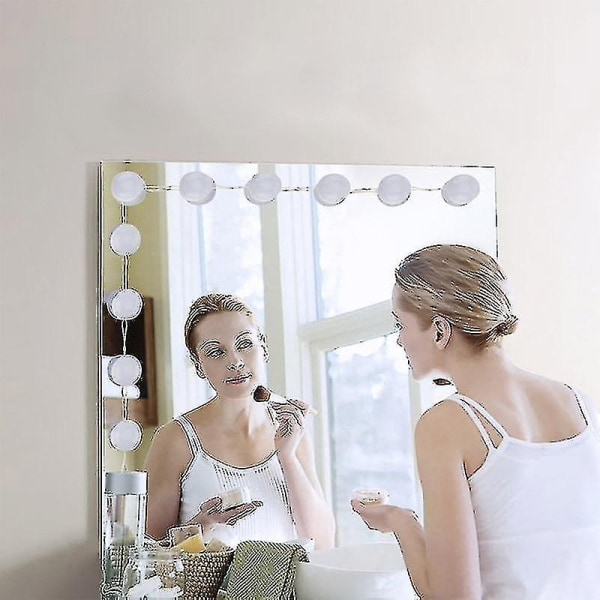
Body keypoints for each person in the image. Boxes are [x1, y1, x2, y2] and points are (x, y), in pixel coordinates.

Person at [352, 244, 600, 599]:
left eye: (400, 325)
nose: (399, 341)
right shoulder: (582, 405)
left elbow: (454, 596)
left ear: (439, 331)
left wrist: (399, 521)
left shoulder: (447, 425)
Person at [145, 293, 335, 550]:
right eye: (216, 352)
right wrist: (201, 527)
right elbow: (150, 553)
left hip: (291, 578)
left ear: (263, 348)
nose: (234, 361)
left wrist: (287, 457)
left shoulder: (291, 430)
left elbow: (322, 543)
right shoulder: (175, 439)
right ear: (199, 365)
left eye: (245, 343)